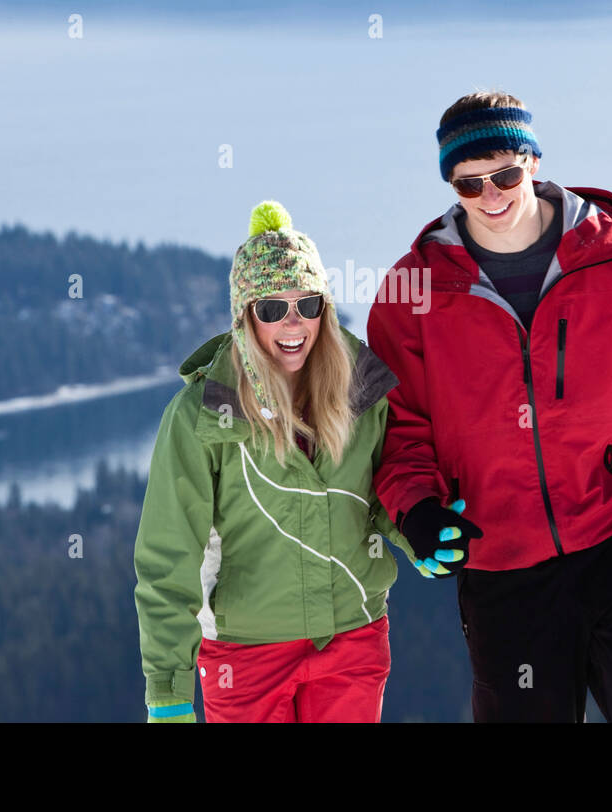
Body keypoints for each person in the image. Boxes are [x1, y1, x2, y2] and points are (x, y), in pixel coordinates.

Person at [366, 93, 612, 722]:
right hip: (501, 563)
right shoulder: (412, 295)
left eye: (504, 174)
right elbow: (400, 432)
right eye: (470, 184)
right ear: (451, 185)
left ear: (532, 161)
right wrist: (417, 508)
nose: (492, 195)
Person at [134, 200, 416, 722]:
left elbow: (382, 495)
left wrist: (416, 532)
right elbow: (168, 556)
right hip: (244, 653)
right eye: (271, 308)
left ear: (325, 311)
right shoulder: (202, 417)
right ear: (245, 318)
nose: (293, 323)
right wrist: (168, 689)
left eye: (307, 305)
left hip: (353, 639)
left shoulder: (360, 392)